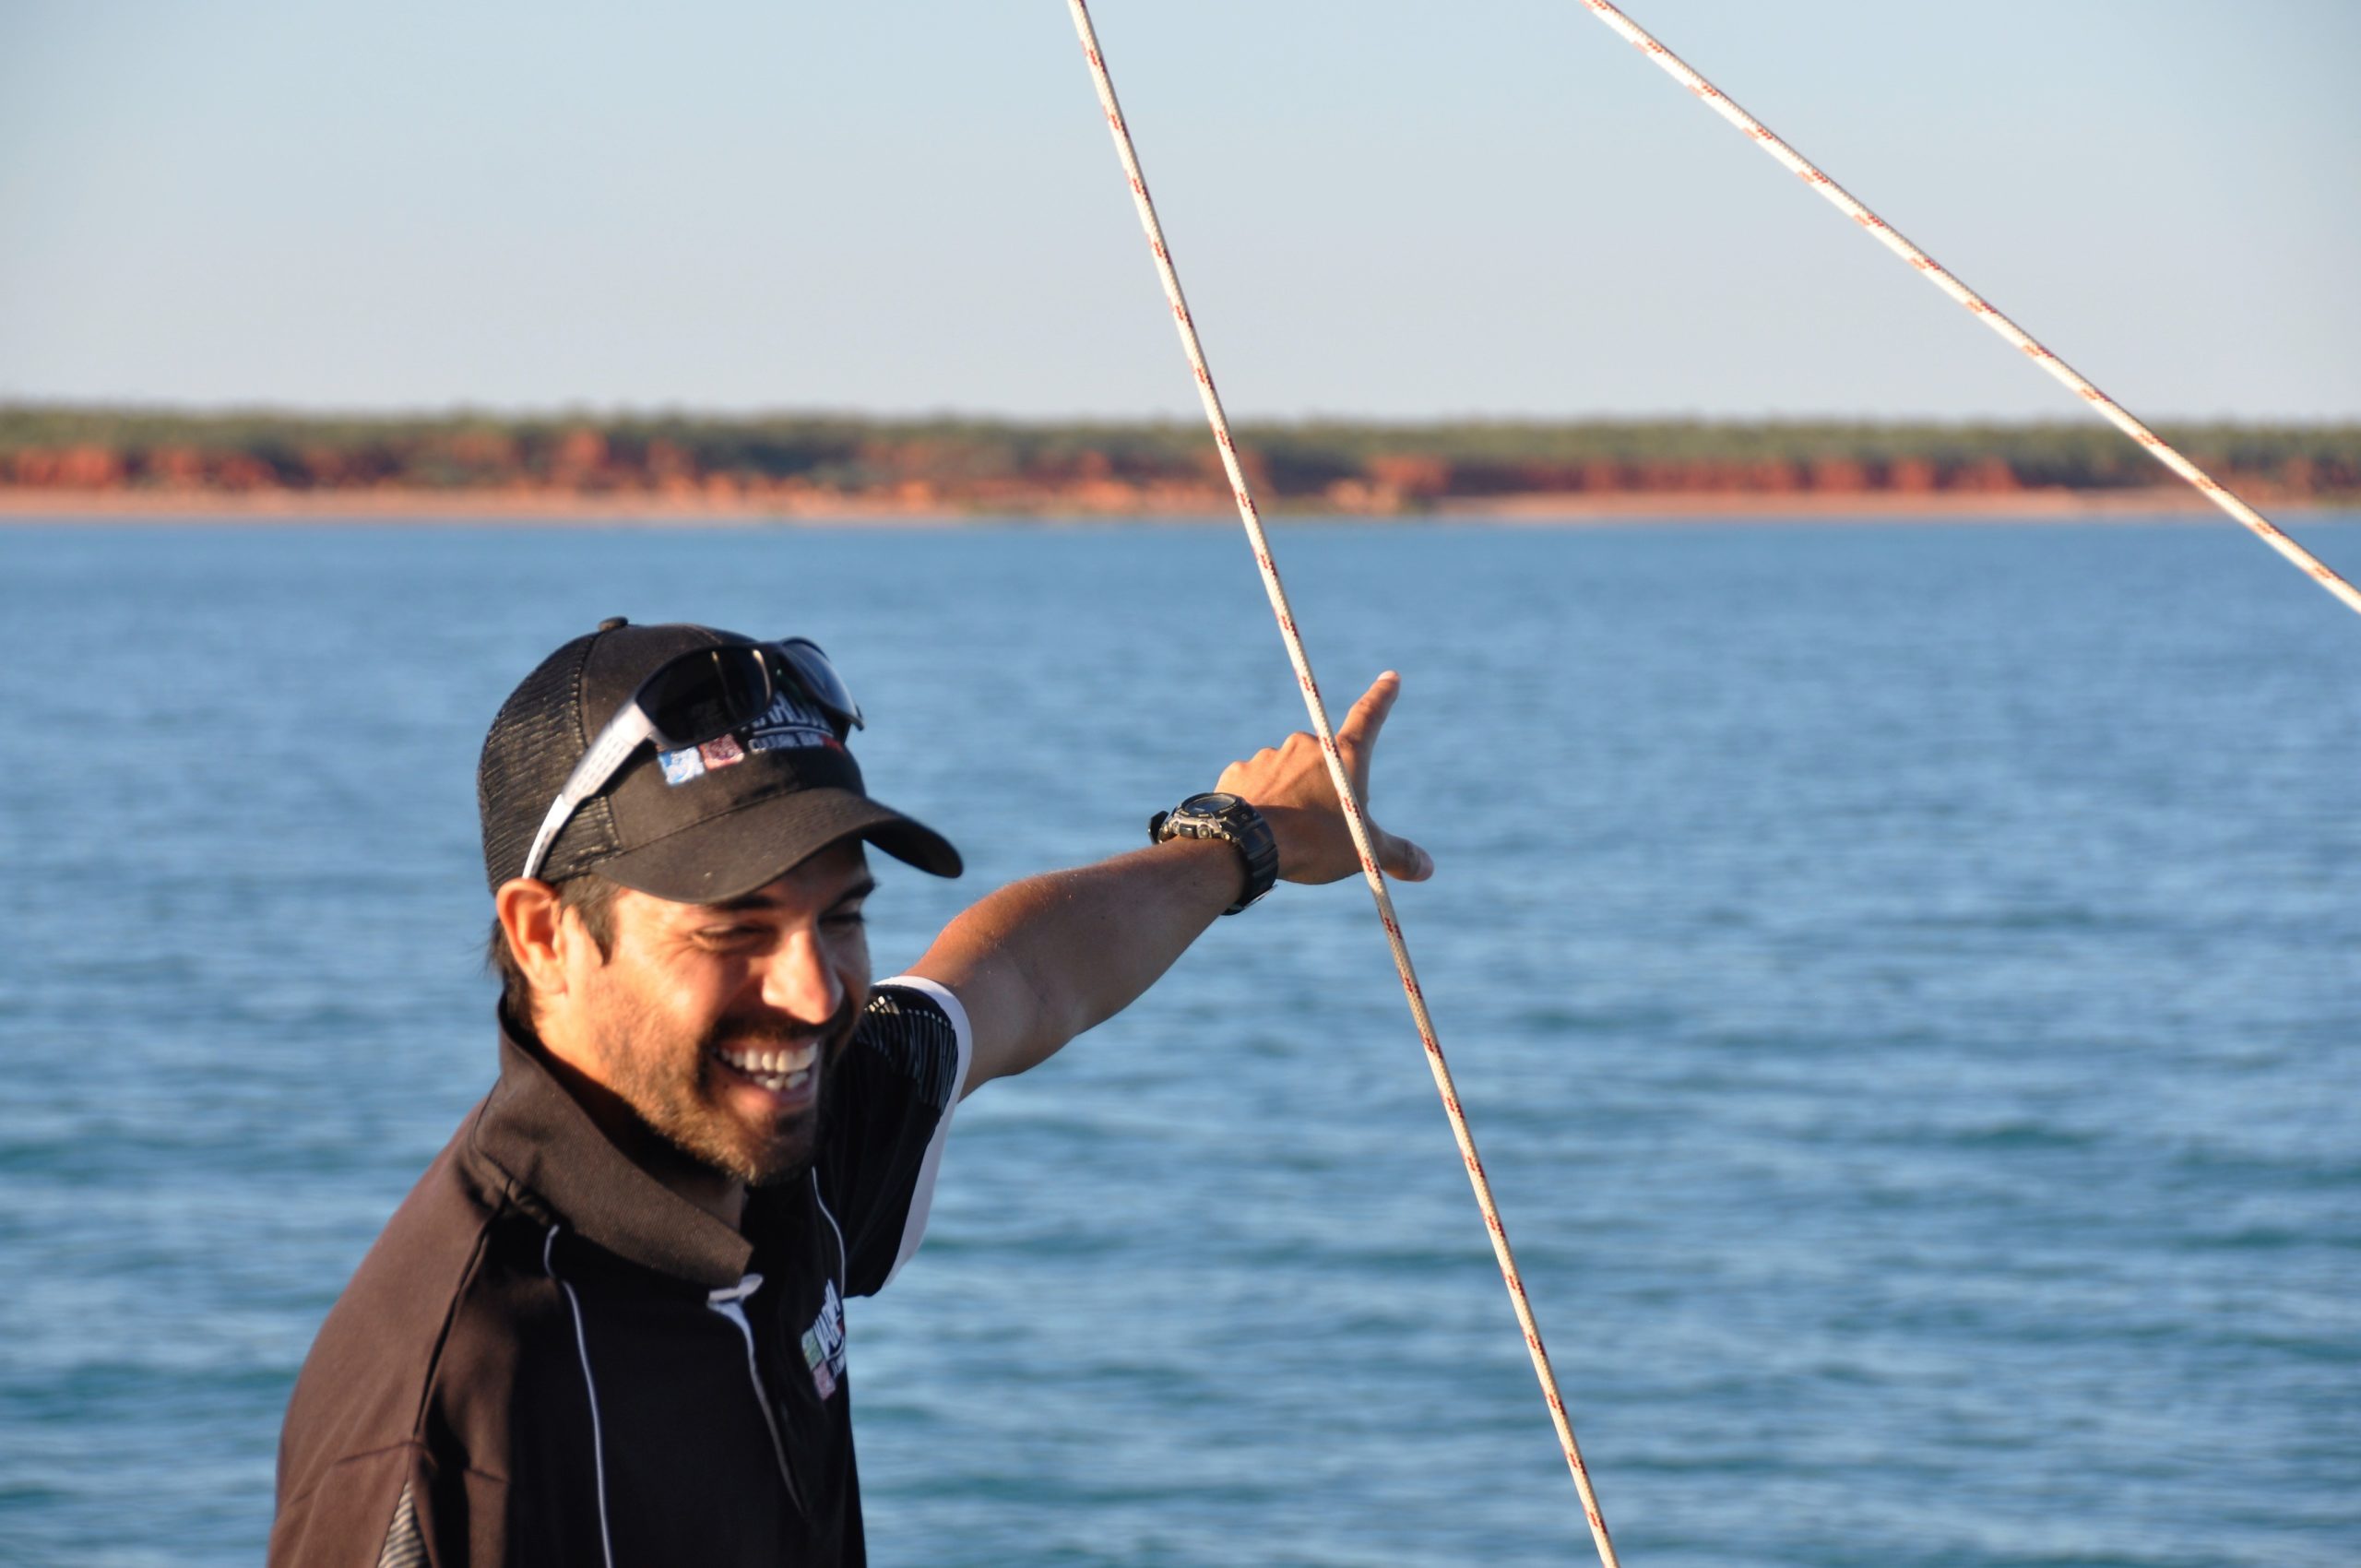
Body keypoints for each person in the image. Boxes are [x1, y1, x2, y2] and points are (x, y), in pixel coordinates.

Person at [268, 617, 1429, 1566]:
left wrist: (1244, 838)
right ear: (546, 937)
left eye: (841, 914)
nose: (817, 990)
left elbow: (1021, 976)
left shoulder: (768, 1137)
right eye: (734, 926)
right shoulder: (448, 1427)